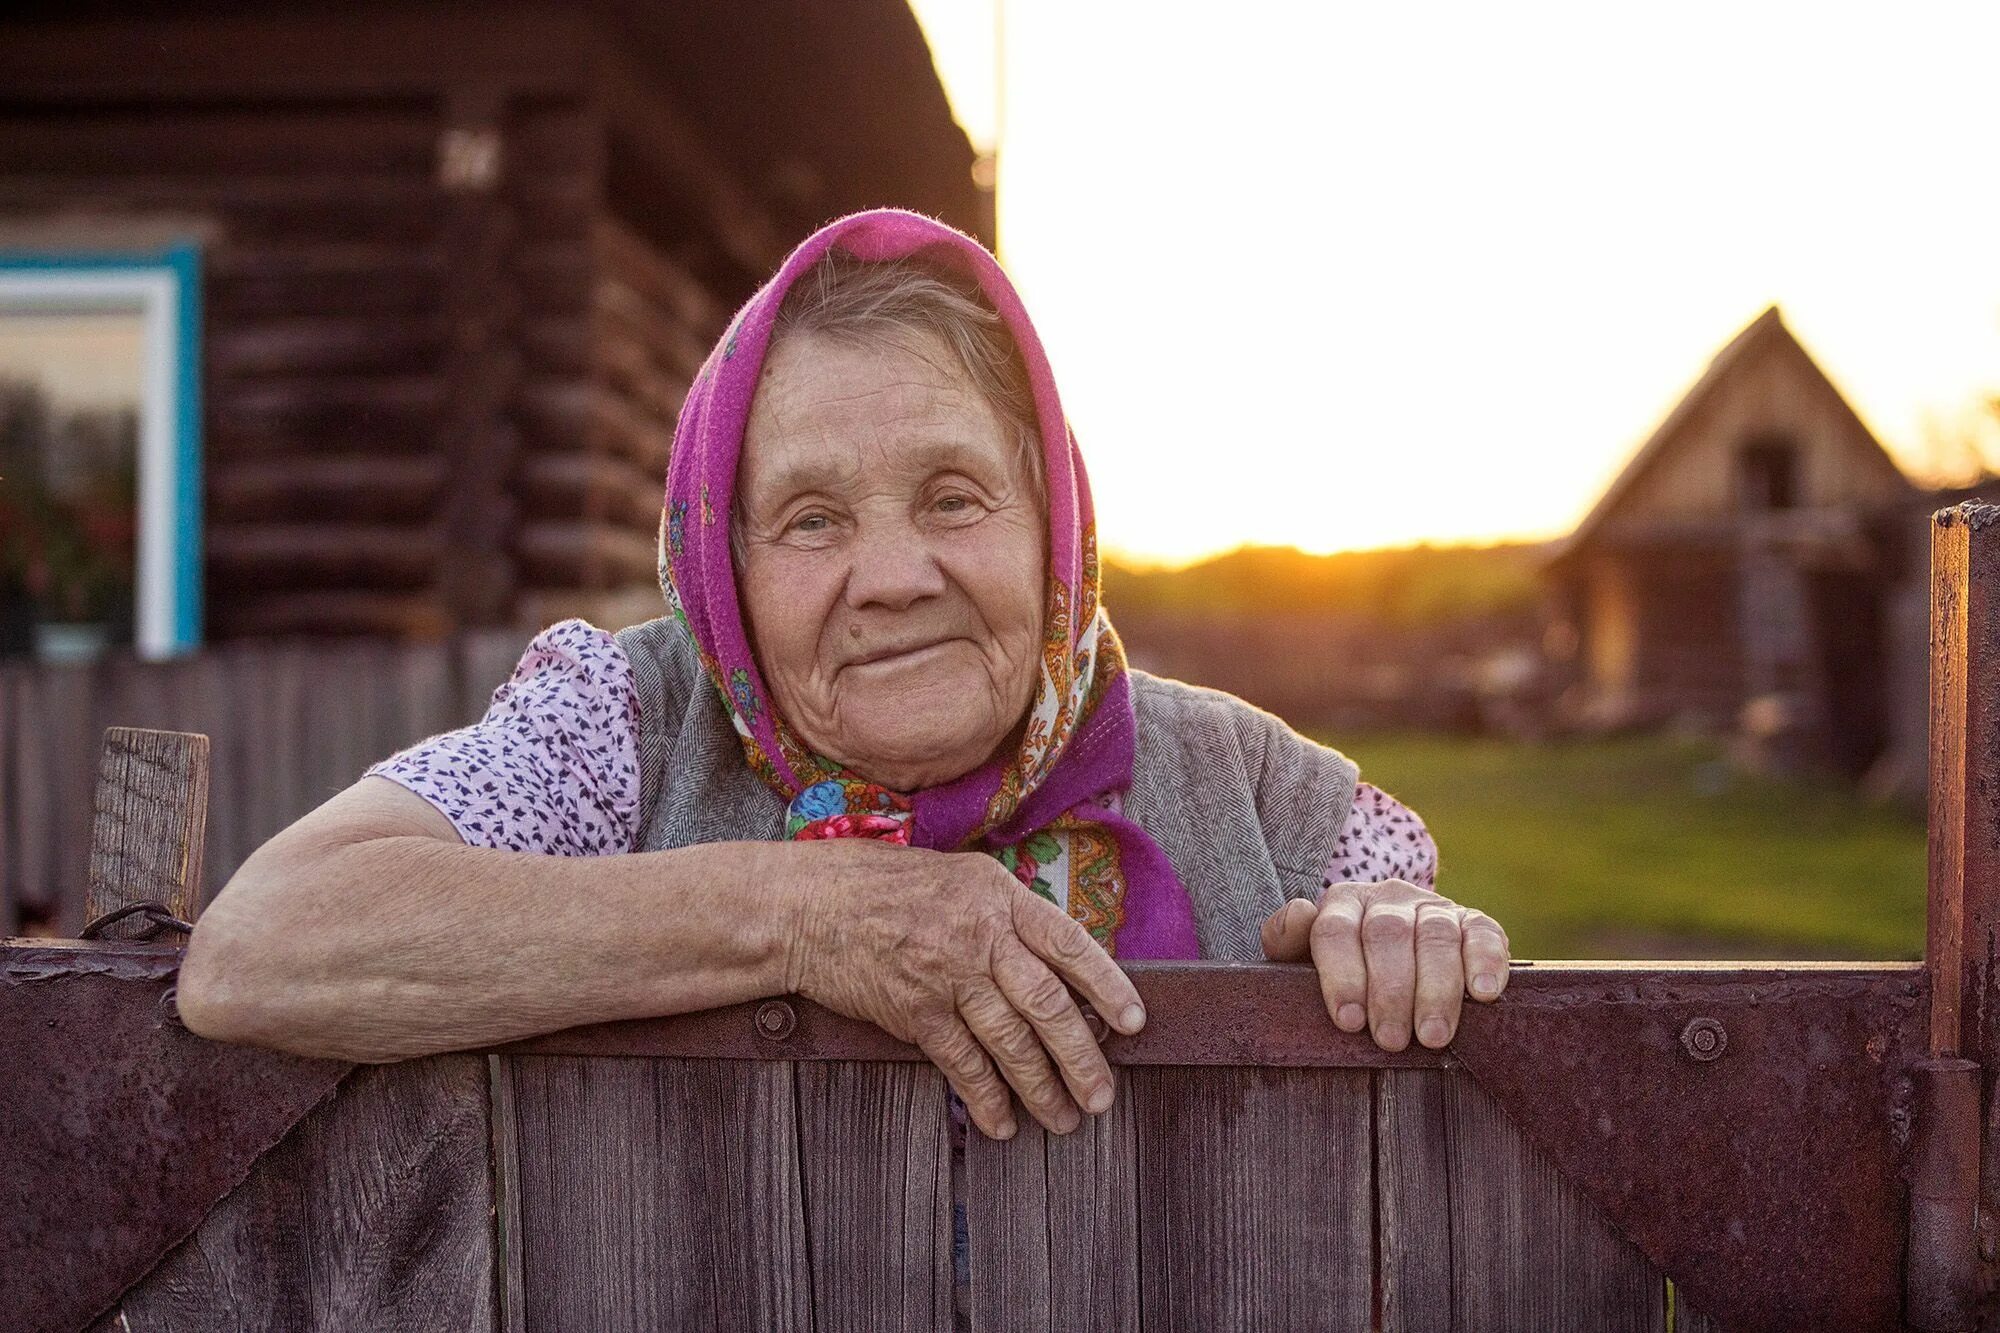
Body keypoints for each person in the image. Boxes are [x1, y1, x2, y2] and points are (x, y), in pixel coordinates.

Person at [178, 209, 1509, 1142]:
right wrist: (802, 917)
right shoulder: (618, 733)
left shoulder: (1262, 791)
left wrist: (1405, 941)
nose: (891, 574)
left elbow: (1432, 975)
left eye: (952, 495)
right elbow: (261, 947)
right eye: (812, 518)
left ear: (1055, 524)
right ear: (725, 565)